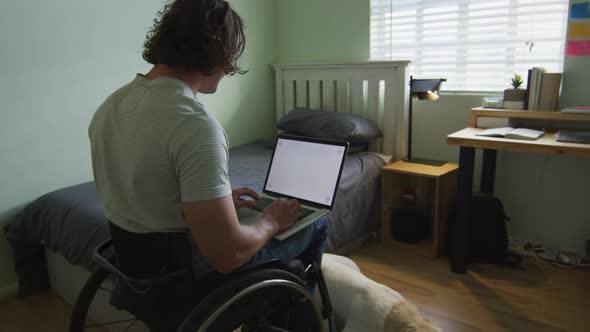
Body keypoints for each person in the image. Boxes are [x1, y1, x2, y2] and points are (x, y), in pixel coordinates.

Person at [89, 0, 328, 288]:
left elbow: (149, 199)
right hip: (187, 275)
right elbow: (228, 256)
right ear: (219, 53)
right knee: (316, 222)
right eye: (230, 57)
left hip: (136, 265)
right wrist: (271, 221)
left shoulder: (111, 105)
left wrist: (217, 205)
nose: (229, 69)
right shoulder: (195, 126)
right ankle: (293, 311)